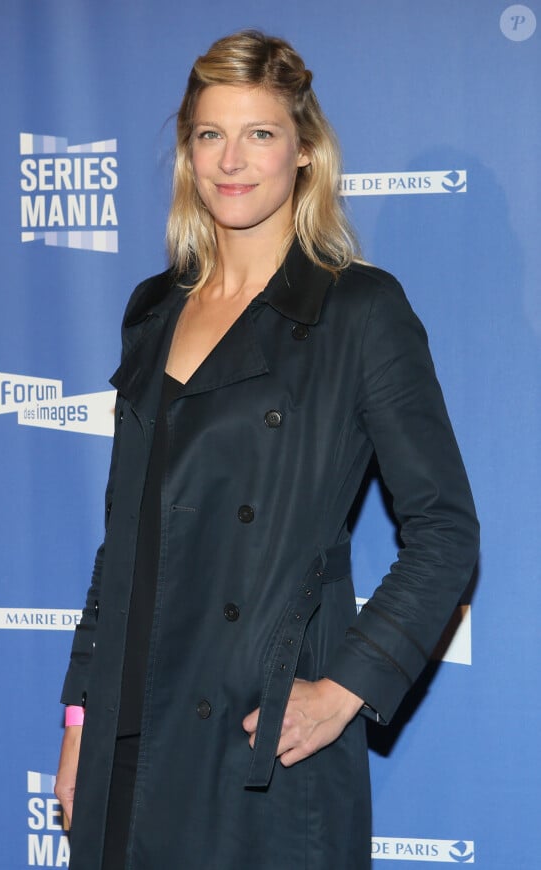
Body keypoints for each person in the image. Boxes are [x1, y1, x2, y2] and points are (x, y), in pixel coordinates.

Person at [55, 30, 479, 870]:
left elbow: (445, 529)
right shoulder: (153, 307)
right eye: (210, 134)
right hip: (125, 737)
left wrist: (348, 689)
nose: (231, 160)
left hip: (254, 739)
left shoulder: (358, 310)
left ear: (306, 151)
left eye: (260, 133)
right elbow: (123, 546)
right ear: (187, 153)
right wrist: (77, 722)